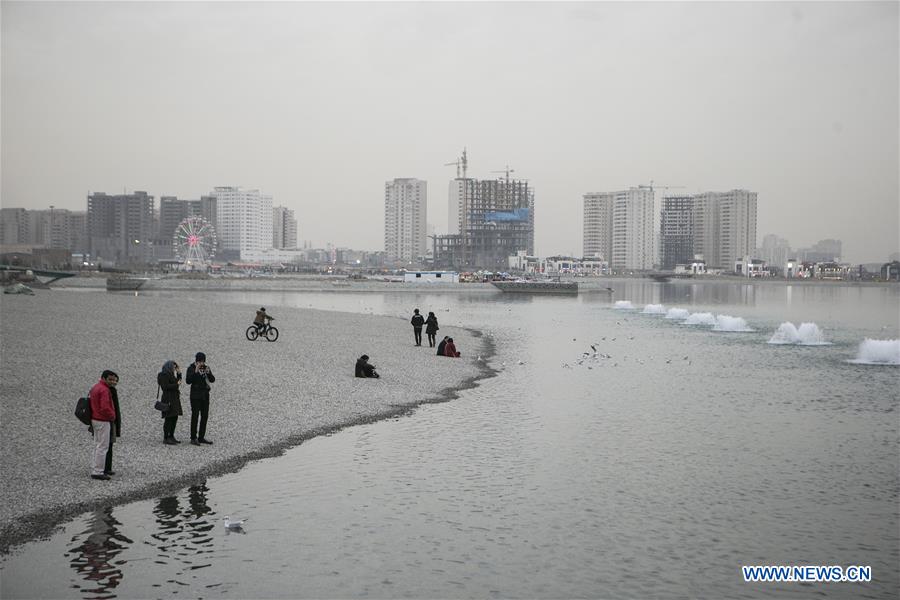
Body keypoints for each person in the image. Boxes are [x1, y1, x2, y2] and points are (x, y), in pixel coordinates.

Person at [88, 370, 118, 480]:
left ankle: (95, 467)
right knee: (103, 446)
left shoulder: (95, 387)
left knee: (97, 444)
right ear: (104, 378)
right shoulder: (104, 390)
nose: (112, 382)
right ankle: (98, 471)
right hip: (103, 420)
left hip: (95, 419)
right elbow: (105, 407)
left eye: (114, 380)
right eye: (110, 379)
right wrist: (112, 416)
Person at [186, 352, 215, 446]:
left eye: (203, 361)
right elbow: (188, 381)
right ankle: (193, 438)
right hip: (195, 396)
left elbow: (212, 380)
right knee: (195, 416)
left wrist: (208, 372)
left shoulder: (206, 368)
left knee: (204, 416)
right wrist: (196, 371)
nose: (201, 363)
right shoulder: (191, 368)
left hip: (205, 395)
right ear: (196, 360)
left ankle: (201, 437)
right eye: (200, 361)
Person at [157, 360, 183, 445]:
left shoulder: (171, 375)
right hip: (168, 399)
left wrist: (179, 373)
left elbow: (178, 382)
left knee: (174, 417)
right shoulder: (163, 375)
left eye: (175, 367)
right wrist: (176, 385)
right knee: (168, 418)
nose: (174, 368)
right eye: (173, 367)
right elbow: (165, 387)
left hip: (174, 399)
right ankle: (166, 437)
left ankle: (171, 436)